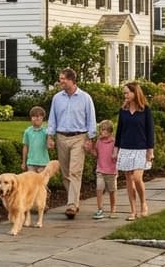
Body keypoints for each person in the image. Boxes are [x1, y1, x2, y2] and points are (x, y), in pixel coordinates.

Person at [46, 67, 97, 218]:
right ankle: (73, 200)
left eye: (63, 79)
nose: (60, 81)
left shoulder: (85, 98)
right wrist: (50, 136)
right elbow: (52, 119)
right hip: (61, 138)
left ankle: (71, 205)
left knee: (75, 171)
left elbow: (91, 119)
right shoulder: (57, 98)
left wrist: (90, 138)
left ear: (71, 80)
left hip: (78, 138)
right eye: (60, 78)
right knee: (65, 173)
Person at [114, 81, 155, 220]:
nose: (125, 95)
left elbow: (150, 131)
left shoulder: (145, 110)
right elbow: (119, 131)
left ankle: (143, 203)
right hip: (125, 148)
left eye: (127, 93)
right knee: (128, 180)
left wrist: (150, 150)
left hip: (141, 149)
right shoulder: (123, 111)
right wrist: (116, 149)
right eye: (124, 93)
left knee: (137, 178)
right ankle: (133, 211)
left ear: (134, 93)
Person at [91, 119, 118, 219]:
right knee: (99, 189)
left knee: (112, 191)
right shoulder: (99, 141)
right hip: (100, 170)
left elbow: (117, 154)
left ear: (110, 131)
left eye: (105, 130)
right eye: (101, 130)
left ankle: (113, 209)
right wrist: (90, 149)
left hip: (111, 171)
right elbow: (96, 154)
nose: (102, 132)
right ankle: (100, 209)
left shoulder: (114, 142)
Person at [21, 106, 51, 172]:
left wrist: (49, 135)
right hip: (31, 163)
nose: (37, 118)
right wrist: (24, 162)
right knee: (31, 181)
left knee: (42, 182)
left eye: (39, 116)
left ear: (43, 118)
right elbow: (25, 147)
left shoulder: (46, 131)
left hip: (43, 163)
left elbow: (50, 145)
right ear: (31, 118)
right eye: (34, 116)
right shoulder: (27, 131)